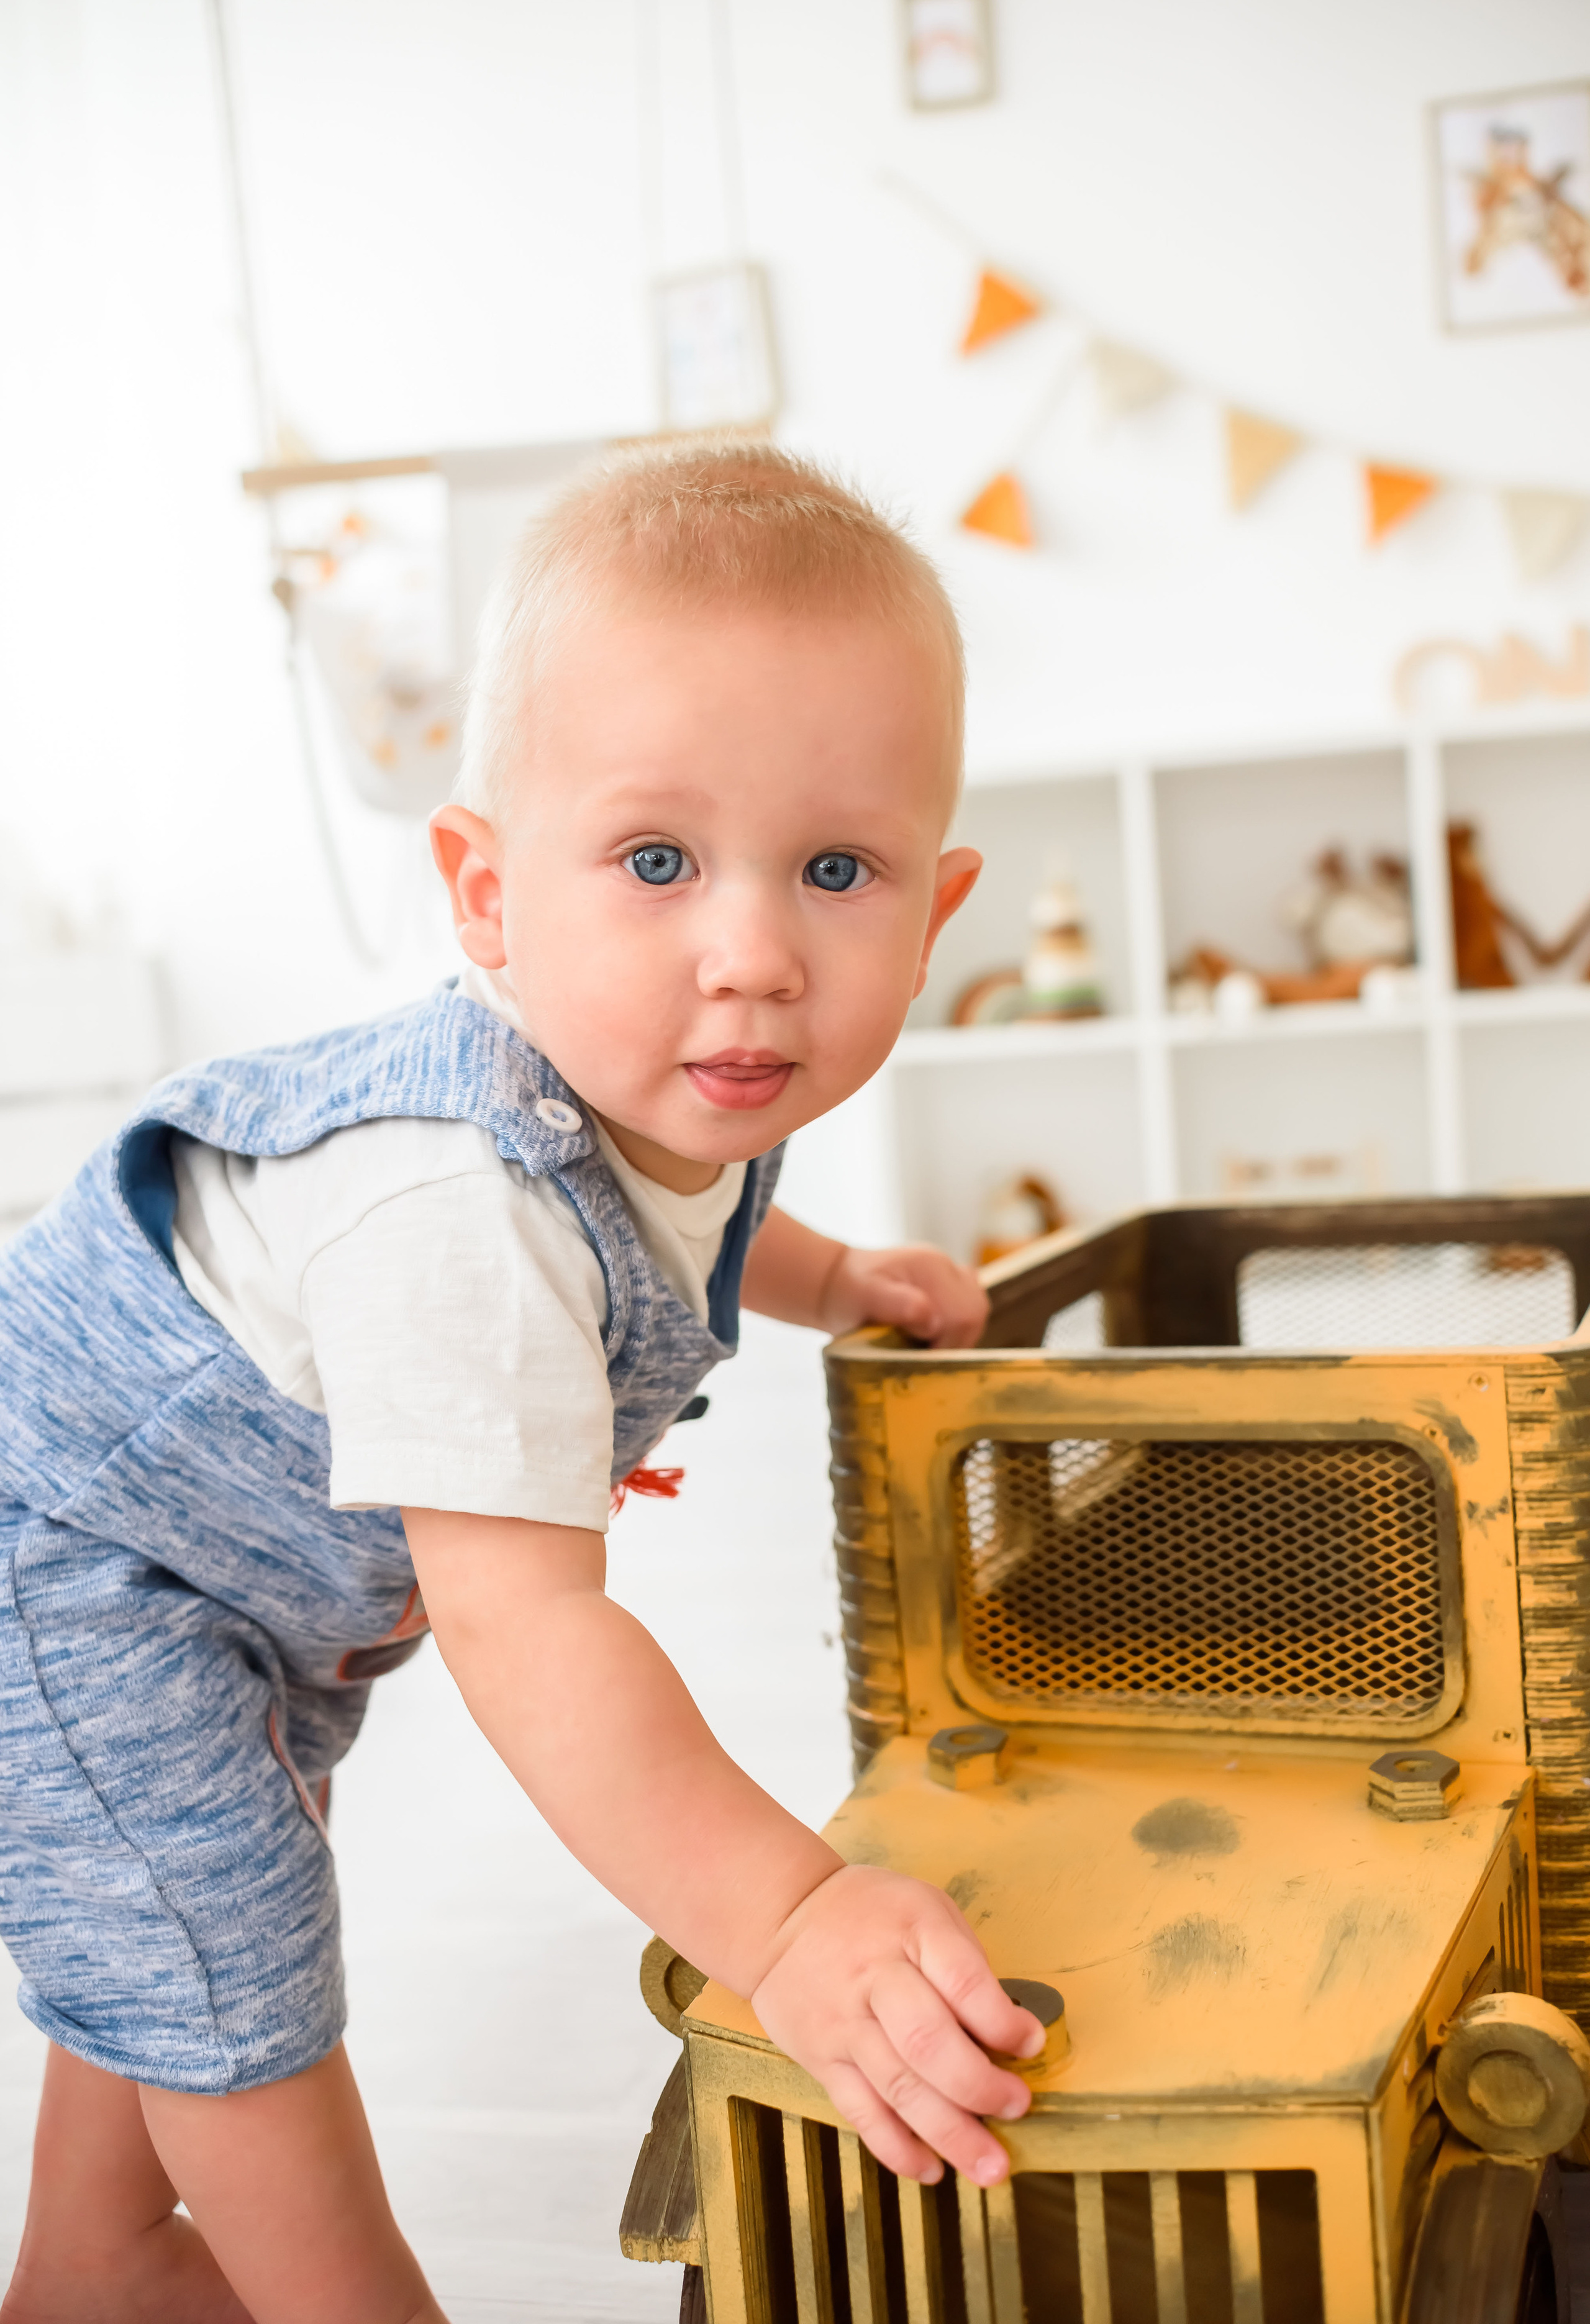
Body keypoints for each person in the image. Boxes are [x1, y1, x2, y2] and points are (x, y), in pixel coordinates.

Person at [0, 440, 1045, 2324]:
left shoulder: (683, 1091)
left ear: (935, 911)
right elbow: (531, 1632)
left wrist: (828, 1280)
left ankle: (94, 2270)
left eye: (837, 869)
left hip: (231, 1576)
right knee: (230, 1937)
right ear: (486, 895)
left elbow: (691, 1219)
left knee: (170, 1908)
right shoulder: (453, 1205)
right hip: (73, 1554)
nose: (753, 957)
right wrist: (787, 1916)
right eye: (657, 862)